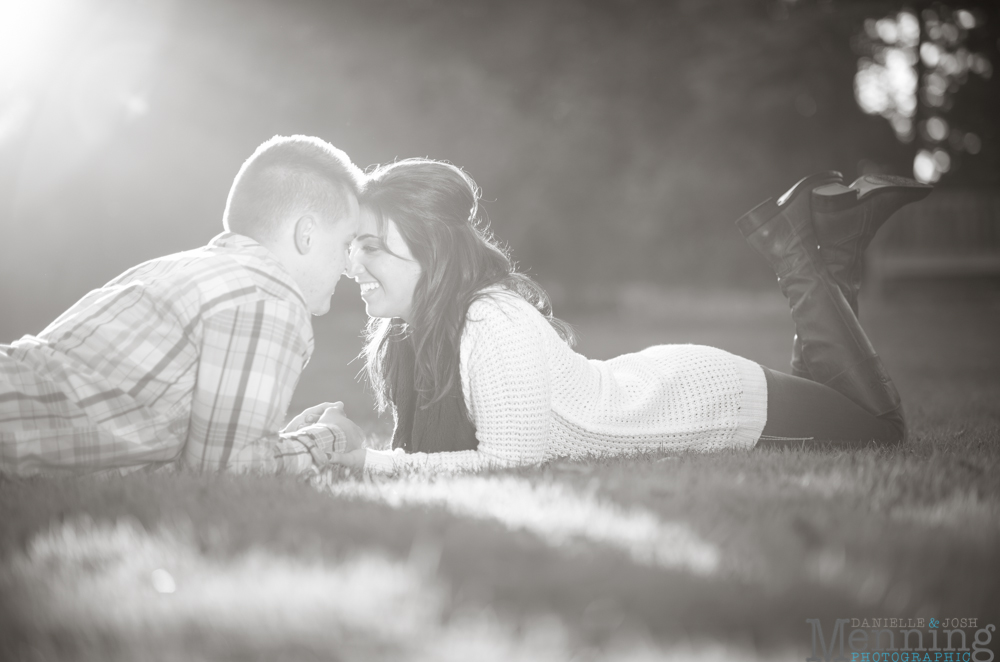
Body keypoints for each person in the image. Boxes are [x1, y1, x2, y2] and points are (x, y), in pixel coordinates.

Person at [330, 159, 930, 475]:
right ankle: (841, 241)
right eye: (353, 244)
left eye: (373, 247)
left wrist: (371, 464)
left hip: (705, 402)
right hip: (655, 381)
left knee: (881, 431)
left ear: (432, 250)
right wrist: (343, 450)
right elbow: (423, 460)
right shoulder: (411, 333)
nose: (352, 262)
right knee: (834, 392)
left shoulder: (491, 321)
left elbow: (508, 463)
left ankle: (792, 246)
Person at [0, 135, 367, 476]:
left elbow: (165, 449)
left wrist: (280, 438)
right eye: (346, 244)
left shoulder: (178, 268)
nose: (351, 266)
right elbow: (225, 469)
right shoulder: (269, 296)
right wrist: (329, 437)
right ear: (307, 234)